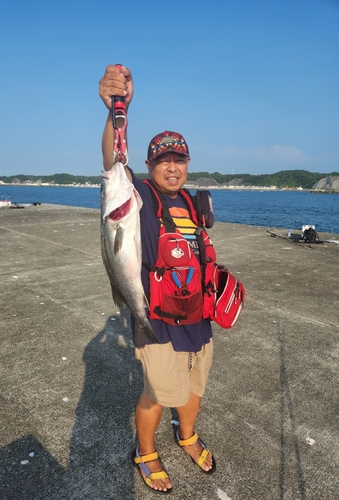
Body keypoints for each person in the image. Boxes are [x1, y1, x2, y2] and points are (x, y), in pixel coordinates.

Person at [99, 64, 215, 494]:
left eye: (178, 160)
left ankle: (185, 435)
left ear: (186, 165)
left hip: (198, 317)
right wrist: (117, 109)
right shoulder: (141, 197)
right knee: (156, 392)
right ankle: (145, 451)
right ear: (148, 165)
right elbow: (113, 161)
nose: (172, 167)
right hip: (159, 318)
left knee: (194, 386)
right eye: (163, 160)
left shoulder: (191, 200)